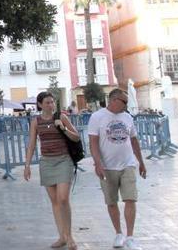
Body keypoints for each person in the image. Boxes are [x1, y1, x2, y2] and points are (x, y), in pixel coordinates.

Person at [87, 89, 147, 250]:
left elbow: (134, 140)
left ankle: (130, 237)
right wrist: (97, 163)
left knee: (130, 199)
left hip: (128, 164)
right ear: (113, 100)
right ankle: (118, 233)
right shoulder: (97, 117)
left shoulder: (127, 117)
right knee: (111, 201)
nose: (127, 105)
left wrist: (141, 162)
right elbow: (93, 142)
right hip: (107, 167)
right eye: (124, 102)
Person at [23, 92, 81, 250]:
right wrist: (27, 165)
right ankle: (61, 236)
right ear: (40, 104)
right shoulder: (36, 121)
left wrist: (63, 129)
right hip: (47, 163)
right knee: (55, 201)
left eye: (52, 102)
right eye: (47, 102)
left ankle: (70, 236)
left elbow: (76, 137)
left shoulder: (61, 117)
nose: (51, 105)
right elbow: (32, 144)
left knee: (63, 199)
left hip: (63, 160)